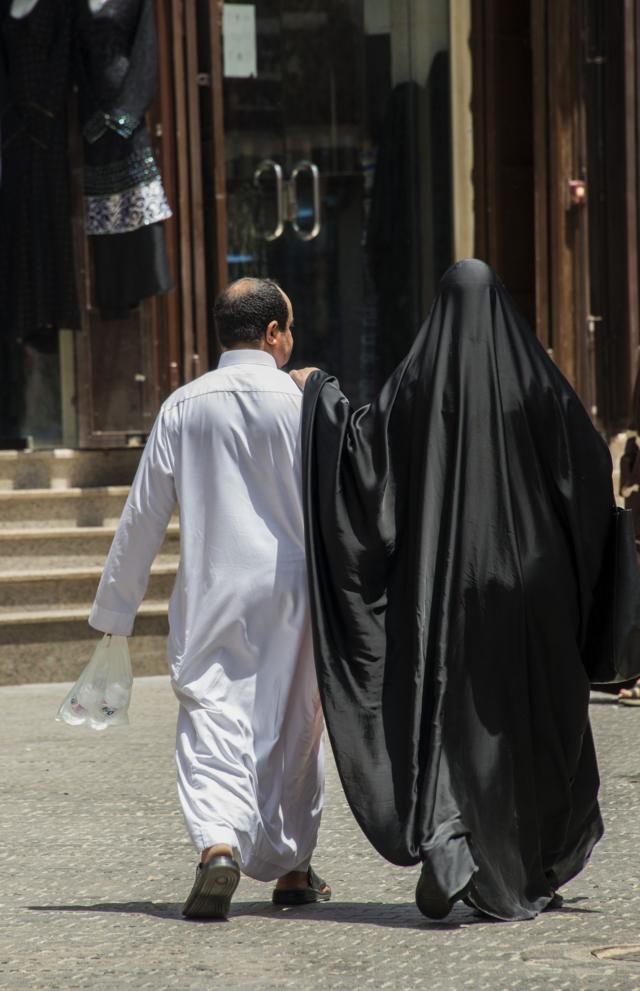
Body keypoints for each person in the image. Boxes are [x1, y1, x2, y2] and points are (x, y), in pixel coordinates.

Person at [297, 259, 614, 921]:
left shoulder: (418, 380)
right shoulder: (537, 380)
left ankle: (449, 842)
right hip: (535, 584)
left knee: (445, 709)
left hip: (440, 583)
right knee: (531, 716)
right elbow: (586, 463)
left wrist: (321, 397)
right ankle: (534, 862)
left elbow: (363, 460)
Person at [89, 277, 329, 919]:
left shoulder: (183, 405)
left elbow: (142, 516)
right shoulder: (304, 401)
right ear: (274, 333)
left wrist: (116, 611)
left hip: (213, 586)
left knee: (211, 712)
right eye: (291, 326)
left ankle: (219, 844)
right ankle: (292, 869)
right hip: (297, 588)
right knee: (297, 722)